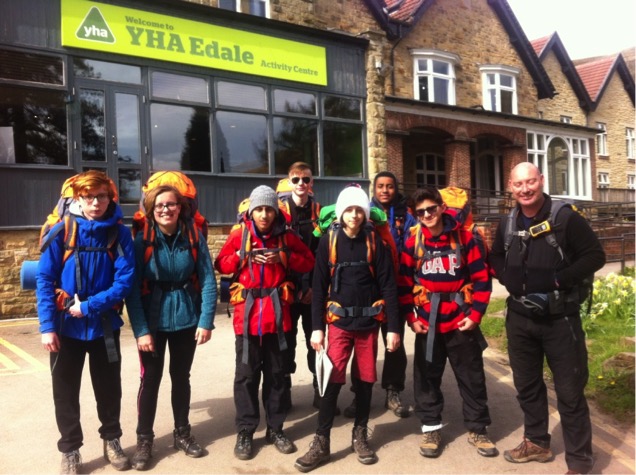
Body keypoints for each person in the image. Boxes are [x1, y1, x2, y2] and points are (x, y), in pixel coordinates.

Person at [489, 162, 605, 475]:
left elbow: (595, 256)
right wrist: (506, 278)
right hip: (519, 318)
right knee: (527, 386)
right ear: (510, 187)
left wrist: (558, 280)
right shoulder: (507, 221)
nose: (525, 189)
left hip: (559, 319)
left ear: (541, 181)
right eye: (518, 184)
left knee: (569, 391)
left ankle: (579, 462)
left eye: (531, 182)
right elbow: (495, 255)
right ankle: (537, 443)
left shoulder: (565, 218)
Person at [294, 185, 401, 473]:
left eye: (359, 210)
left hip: (368, 325)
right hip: (339, 324)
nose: (354, 215)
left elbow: (389, 286)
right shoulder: (329, 241)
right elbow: (318, 288)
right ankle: (322, 440)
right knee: (332, 381)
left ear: (365, 214)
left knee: (365, 380)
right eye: (349, 210)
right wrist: (317, 328)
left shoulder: (375, 243)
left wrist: (392, 328)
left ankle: (360, 433)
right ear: (341, 213)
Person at [36, 170, 135, 474]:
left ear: (110, 197)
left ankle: (112, 440)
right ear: (77, 198)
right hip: (66, 328)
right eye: (88, 197)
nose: (95, 202)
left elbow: (126, 279)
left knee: (109, 388)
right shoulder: (62, 230)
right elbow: (44, 278)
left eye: (101, 196)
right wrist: (47, 326)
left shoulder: (118, 233)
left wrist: (90, 306)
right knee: (65, 392)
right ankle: (70, 450)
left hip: (103, 324)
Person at [214, 185, 315, 461]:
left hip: (277, 317)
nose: (264, 214)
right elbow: (221, 264)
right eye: (258, 209)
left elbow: (309, 262)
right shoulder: (240, 235)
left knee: (277, 375)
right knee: (245, 376)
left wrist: (283, 257)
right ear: (251, 211)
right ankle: (246, 430)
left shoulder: (287, 236)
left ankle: (276, 428)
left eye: (268, 209)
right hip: (246, 320)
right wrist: (242, 256)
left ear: (275, 211)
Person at [398, 187, 496, 459]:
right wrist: (410, 318)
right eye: (421, 212)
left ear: (441, 207)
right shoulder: (412, 242)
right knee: (426, 379)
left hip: (460, 321)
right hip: (427, 324)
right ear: (414, 215)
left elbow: (482, 280)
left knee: (472, 377)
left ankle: (478, 429)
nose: (427, 214)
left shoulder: (465, 239)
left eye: (431, 208)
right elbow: (404, 283)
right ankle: (431, 428)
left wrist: (475, 316)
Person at [125, 184, 217, 470]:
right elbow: (131, 290)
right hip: (152, 320)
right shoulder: (142, 241)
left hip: (186, 318)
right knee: (150, 380)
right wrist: (140, 330)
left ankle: (182, 432)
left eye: (171, 204)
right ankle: (144, 439)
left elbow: (209, 280)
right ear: (151, 210)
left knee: (181, 377)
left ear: (181, 208)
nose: (166, 209)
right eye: (160, 205)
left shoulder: (193, 237)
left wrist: (205, 321)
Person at [343, 171, 417, 418]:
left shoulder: (407, 215)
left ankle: (393, 390)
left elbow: (412, 245)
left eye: (390, 186)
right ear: (373, 189)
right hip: (367, 288)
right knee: (362, 343)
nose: (385, 190)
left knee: (394, 341)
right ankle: (359, 394)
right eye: (380, 186)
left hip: (395, 286)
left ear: (396, 189)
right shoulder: (364, 212)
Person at [278, 162, 324, 409]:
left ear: (311, 182)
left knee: (316, 340)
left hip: (313, 289)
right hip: (287, 289)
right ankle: (284, 392)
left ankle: (321, 389)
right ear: (289, 181)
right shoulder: (279, 212)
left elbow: (325, 256)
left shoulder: (321, 212)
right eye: (296, 180)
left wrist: (315, 289)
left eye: (305, 179)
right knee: (285, 341)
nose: (301, 184)